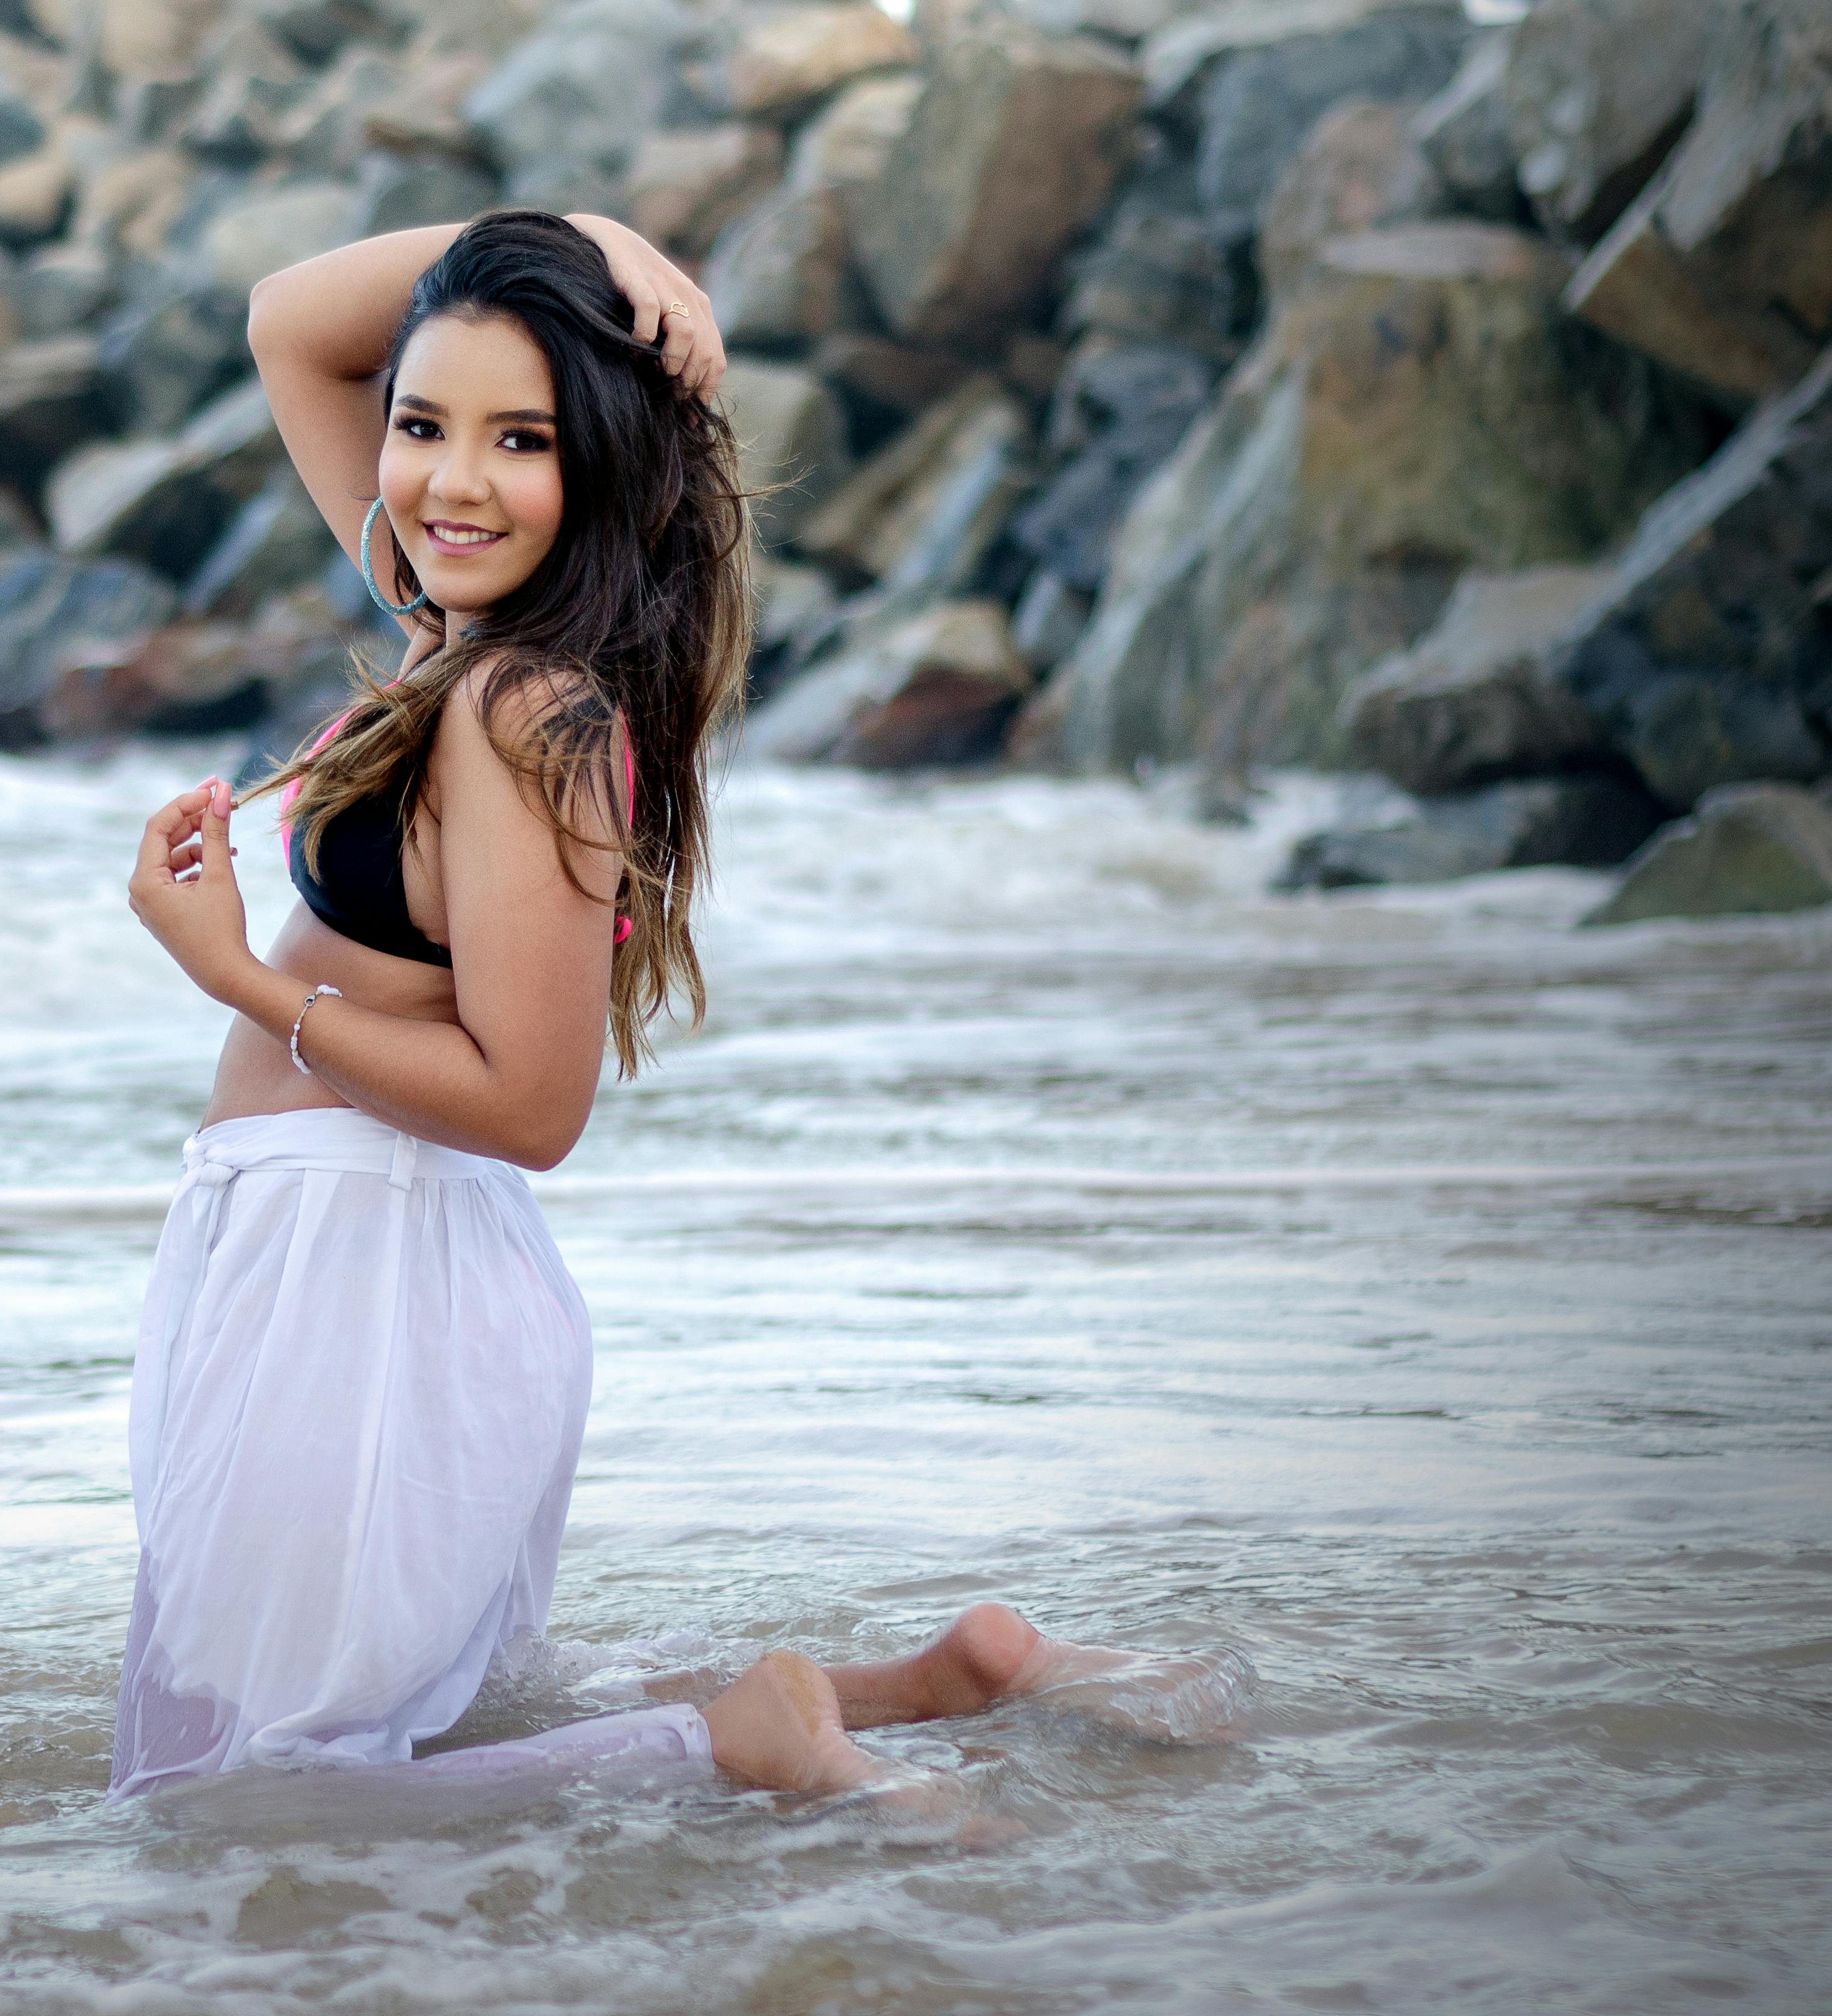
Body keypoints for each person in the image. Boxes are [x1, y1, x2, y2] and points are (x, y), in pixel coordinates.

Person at [118, 211, 1187, 1804]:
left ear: (600, 471)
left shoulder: (521, 703)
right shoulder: (453, 622)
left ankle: (739, 1741)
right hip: (334, 1248)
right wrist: (604, 242)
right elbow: (290, 319)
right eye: (420, 425)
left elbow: (533, 1107)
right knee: (433, 1724)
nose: (446, 481)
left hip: (365, 1270)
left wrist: (240, 981)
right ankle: (942, 1687)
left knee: (240, 1796)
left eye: (521, 440)